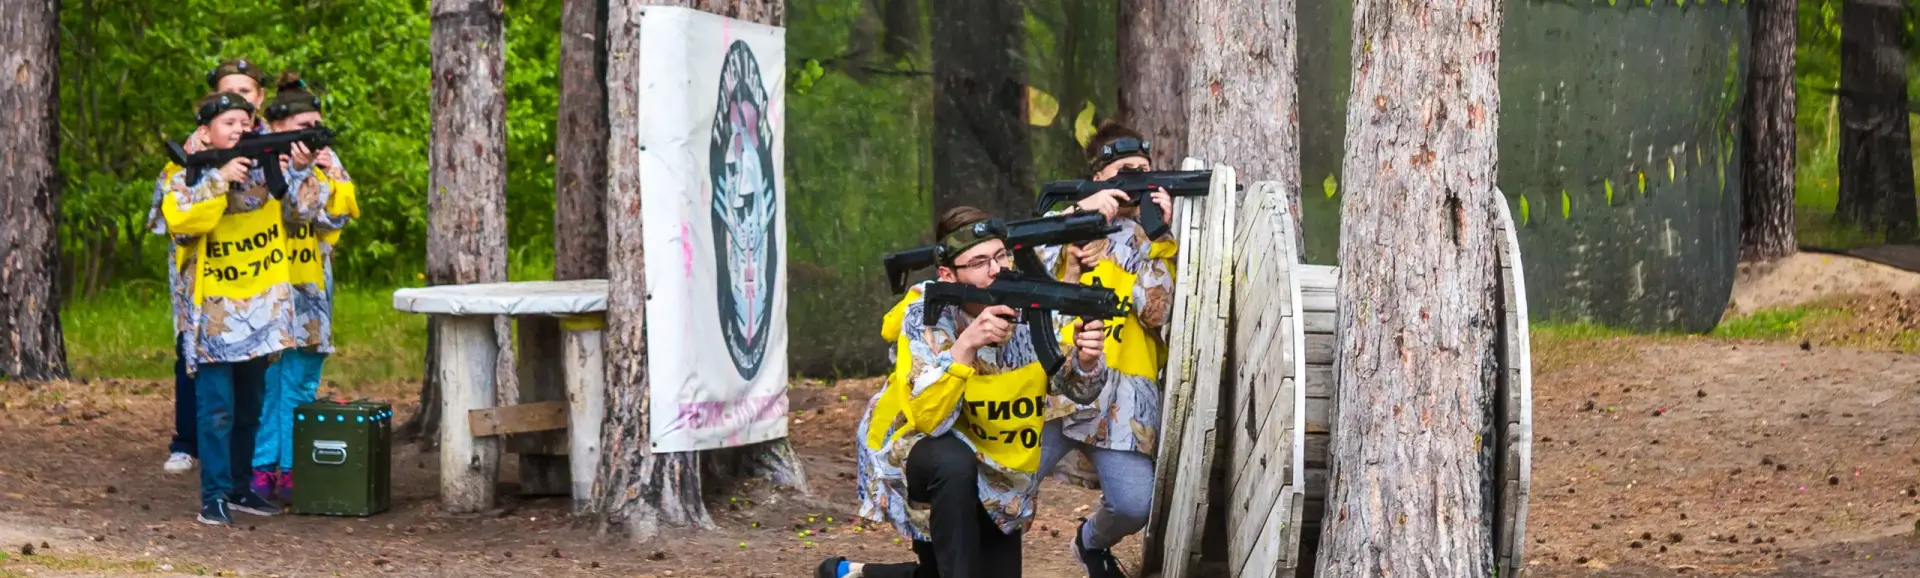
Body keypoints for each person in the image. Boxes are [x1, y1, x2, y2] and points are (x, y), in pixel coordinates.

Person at [818, 207, 1112, 578]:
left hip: (997, 468)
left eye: (1001, 255)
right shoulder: (926, 312)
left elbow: (1076, 390)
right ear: (948, 274)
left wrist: (1086, 361)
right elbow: (928, 417)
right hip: (922, 453)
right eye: (979, 262)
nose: (996, 269)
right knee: (953, 464)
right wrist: (966, 347)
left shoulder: (1028, 304)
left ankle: (854, 573)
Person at [160, 90, 327, 525]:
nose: (239, 130)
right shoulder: (185, 174)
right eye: (229, 123)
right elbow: (181, 223)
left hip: (263, 310)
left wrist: (303, 169)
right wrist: (218, 179)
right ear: (205, 131)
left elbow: (303, 214)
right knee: (216, 411)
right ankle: (213, 495)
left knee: (250, 407)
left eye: (245, 123)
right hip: (213, 313)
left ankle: (238, 489)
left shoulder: (264, 169)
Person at [1031, 121, 1180, 578]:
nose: (1138, 176)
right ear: (1100, 179)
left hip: (1123, 399)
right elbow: (1019, 258)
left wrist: (1157, 234)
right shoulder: (1062, 224)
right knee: (1005, 485)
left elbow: (1158, 312)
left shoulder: (1151, 241)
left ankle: (1090, 543)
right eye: (1125, 170)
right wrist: (1080, 212)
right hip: (1055, 389)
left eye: (1144, 170)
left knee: (1134, 505)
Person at [152, 58, 272, 475]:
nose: (238, 115)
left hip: (256, 290)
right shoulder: (193, 154)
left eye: (246, 98)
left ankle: (244, 475)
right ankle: (195, 455)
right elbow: (178, 218)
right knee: (204, 380)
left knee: (250, 394)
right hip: (205, 288)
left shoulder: (266, 143)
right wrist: (219, 176)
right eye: (229, 96)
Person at [250, 73, 359, 502]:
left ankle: (294, 468)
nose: (311, 136)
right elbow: (288, 212)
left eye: (316, 126)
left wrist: (323, 172)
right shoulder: (256, 160)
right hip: (266, 285)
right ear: (275, 128)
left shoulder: (325, 161)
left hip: (311, 285)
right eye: (302, 129)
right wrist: (294, 173)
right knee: (268, 379)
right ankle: (262, 468)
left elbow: (334, 218)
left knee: (301, 378)